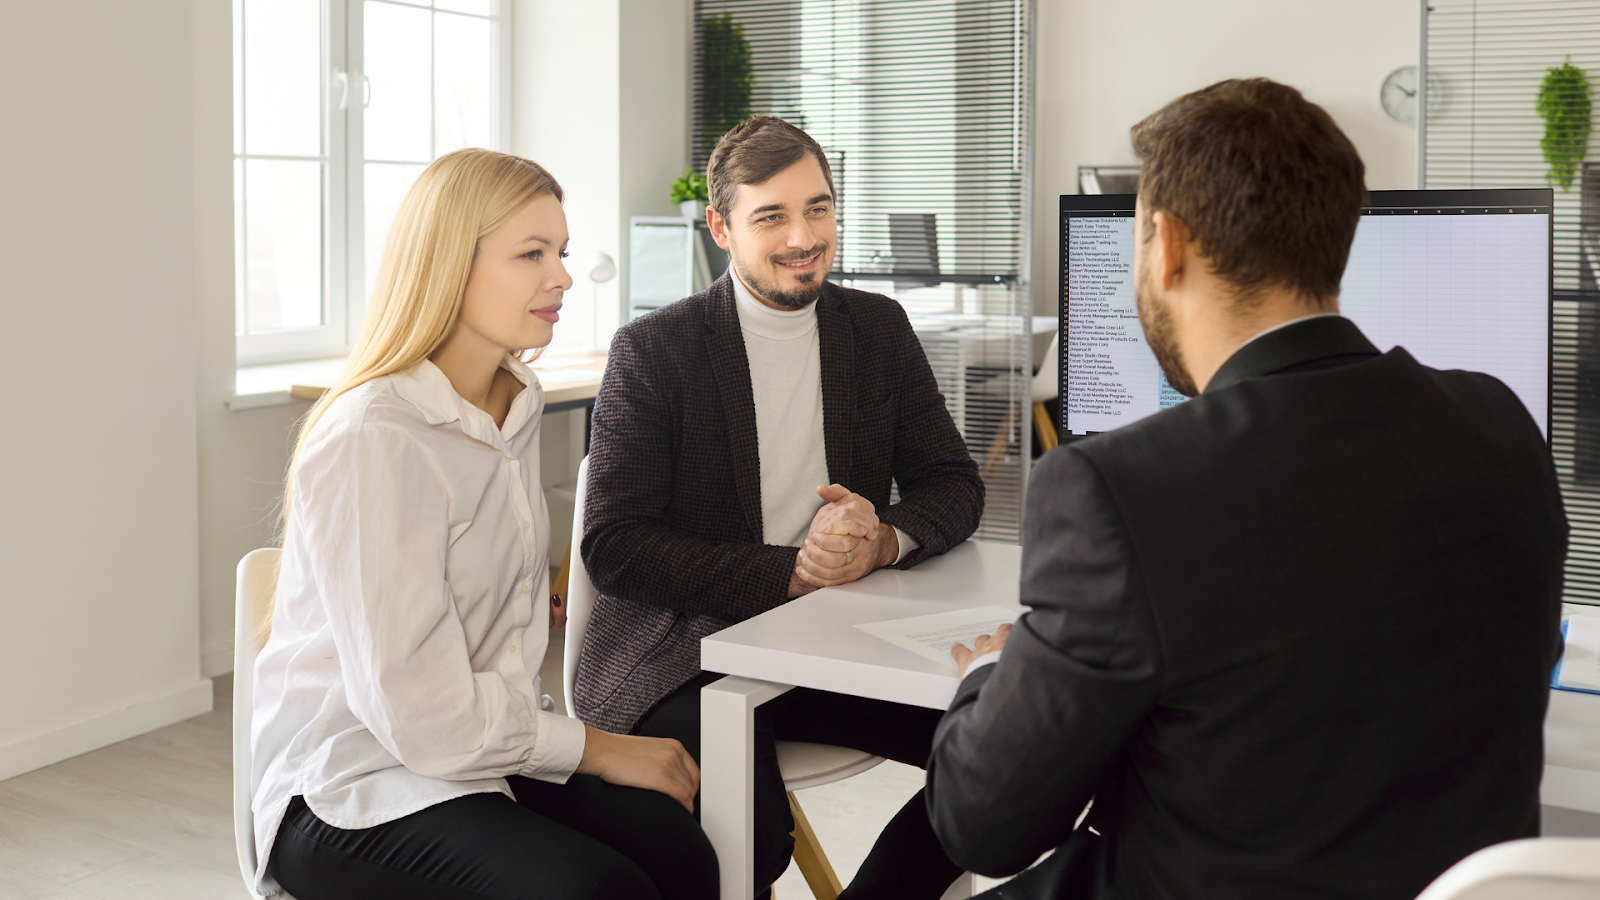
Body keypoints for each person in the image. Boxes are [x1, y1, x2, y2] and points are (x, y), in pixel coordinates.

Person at [926, 79, 1569, 900]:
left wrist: (985, 678)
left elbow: (983, 823)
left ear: (1167, 244)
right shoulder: (1501, 421)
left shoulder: (1113, 490)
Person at [250, 148, 717, 900]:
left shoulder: (516, 401)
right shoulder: (375, 435)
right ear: (447, 266)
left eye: (559, 251)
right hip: (352, 786)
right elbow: (419, 714)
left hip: (478, 754)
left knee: (684, 853)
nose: (561, 275)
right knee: (593, 891)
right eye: (531, 253)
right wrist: (597, 748)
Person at [575, 115, 986, 898]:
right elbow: (616, 544)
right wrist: (791, 574)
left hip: (832, 639)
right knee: (751, 844)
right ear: (721, 226)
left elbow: (952, 481)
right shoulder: (655, 349)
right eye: (772, 216)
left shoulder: (876, 329)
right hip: (683, 647)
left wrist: (884, 540)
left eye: (819, 209)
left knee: (1002, 748)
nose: (804, 237)